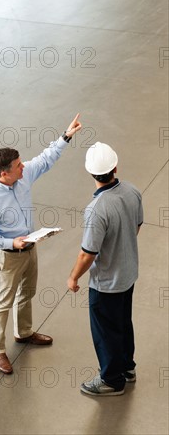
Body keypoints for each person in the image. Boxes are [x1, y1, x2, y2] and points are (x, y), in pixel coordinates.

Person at [0, 114, 82, 375]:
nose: (24, 167)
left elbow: (45, 159)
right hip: (8, 256)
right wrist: (12, 242)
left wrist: (65, 137)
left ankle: (23, 333)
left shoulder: (22, 177)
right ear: (4, 173)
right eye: (18, 166)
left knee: (27, 293)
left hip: (30, 249)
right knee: (2, 301)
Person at [67, 142, 143, 396]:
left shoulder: (96, 210)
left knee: (105, 331)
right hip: (129, 273)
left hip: (106, 283)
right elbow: (136, 226)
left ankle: (112, 379)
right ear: (115, 167)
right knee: (123, 322)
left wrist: (73, 277)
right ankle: (127, 368)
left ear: (90, 173)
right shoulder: (132, 191)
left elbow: (88, 253)